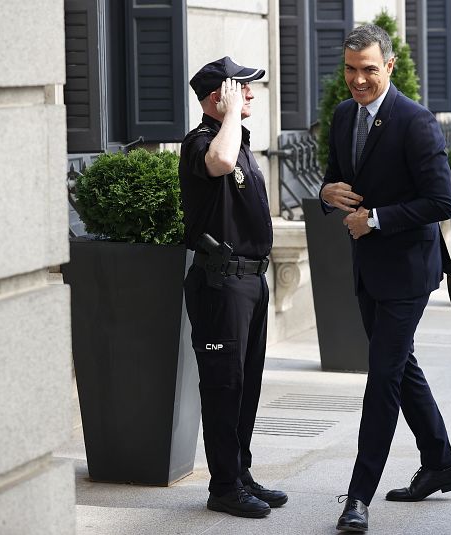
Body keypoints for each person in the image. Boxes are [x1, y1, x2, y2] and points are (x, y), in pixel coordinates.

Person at [318, 24, 451, 533]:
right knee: (401, 366)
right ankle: (440, 463)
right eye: (351, 70)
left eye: (369, 70)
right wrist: (327, 194)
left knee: (381, 378)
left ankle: (358, 497)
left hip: (407, 272)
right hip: (368, 269)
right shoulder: (341, 115)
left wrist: (375, 218)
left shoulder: (417, 122)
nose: (358, 80)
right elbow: (337, 179)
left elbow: (442, 202)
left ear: (390, 66)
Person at [179, 56, 287, 519]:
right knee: (223, 384)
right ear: (214, 98)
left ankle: (239, 473)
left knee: (247, 384)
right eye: (239, 87)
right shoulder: (203, 142)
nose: (249, 94)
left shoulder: (238, 142)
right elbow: (218, 162)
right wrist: (224, 117)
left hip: (250, 280)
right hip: (220, 282)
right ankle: (223, 486)